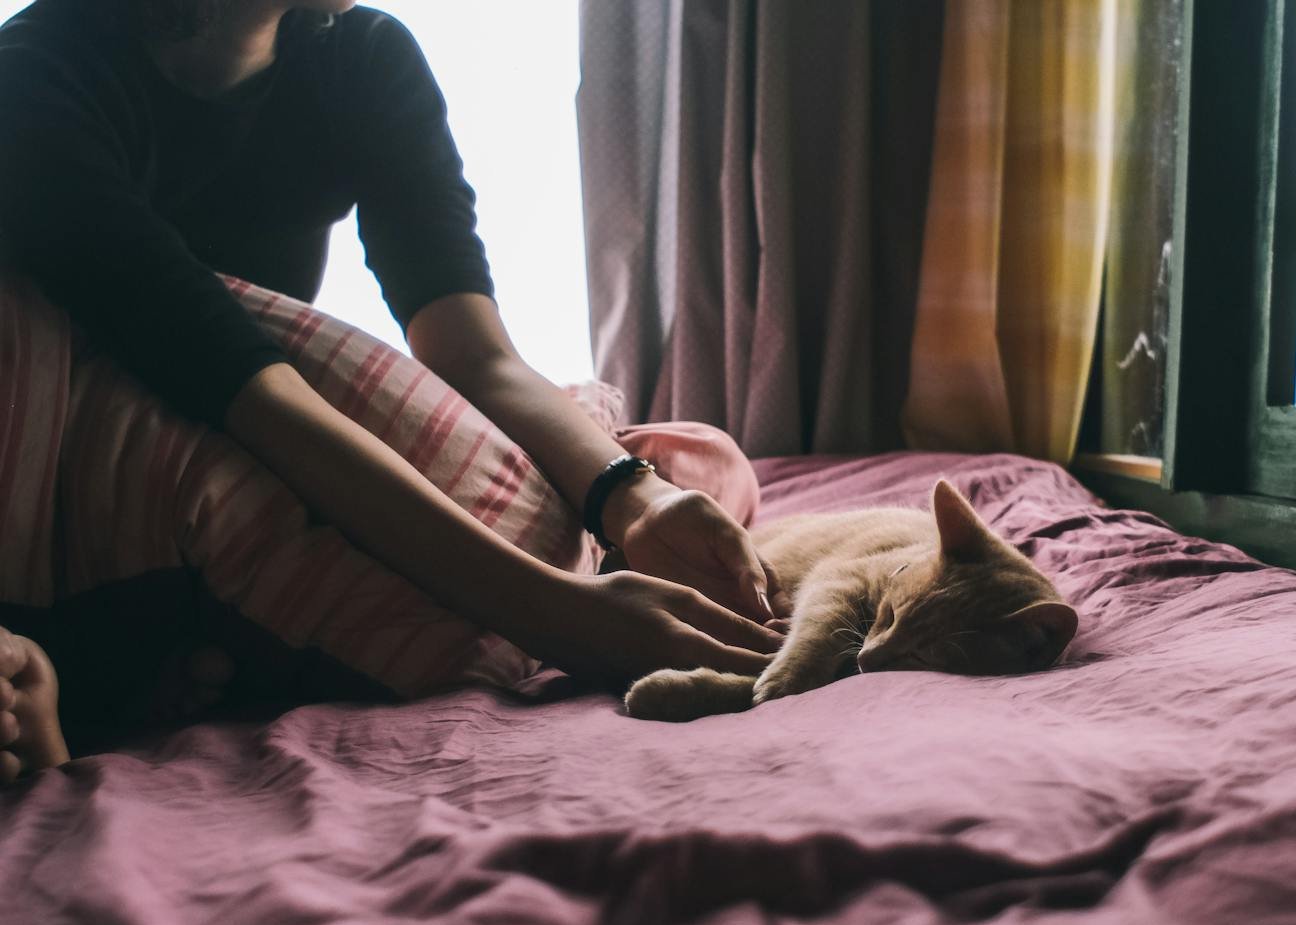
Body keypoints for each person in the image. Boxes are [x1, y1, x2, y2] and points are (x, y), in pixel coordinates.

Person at [0, 0, 782, 783]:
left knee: (685, 468)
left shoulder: (362, 56)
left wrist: (629, 497)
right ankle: (108, 648)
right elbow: (251, 392)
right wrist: (563, 616)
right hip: (66, 469)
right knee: (481, 610)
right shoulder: (38, 77)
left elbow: (473, 353)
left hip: (243, 427)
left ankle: (182, 648)